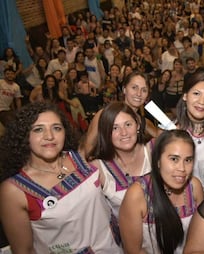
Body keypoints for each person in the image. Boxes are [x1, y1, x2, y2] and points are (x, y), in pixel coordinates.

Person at [0, 102, 122, 253]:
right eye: (38, 129)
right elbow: (24, 250)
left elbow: (101, 122)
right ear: (24, 136)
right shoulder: (14, 190)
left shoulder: (80, 159)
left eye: (56, 128)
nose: (49, 136)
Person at [119, 129, 204, 253]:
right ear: (158, 160)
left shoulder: (194, 187)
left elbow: (201, 237)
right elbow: (134, 251)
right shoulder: (138, 194)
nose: (182, 168)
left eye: (188, 160)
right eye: (174, 159)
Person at [90, 102, 151, 218]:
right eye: (115, 128)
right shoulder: (97, 167)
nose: (124, 133)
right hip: (121, 234)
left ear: (137, 125)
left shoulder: (154, 151)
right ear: (106, 133)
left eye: (128, 124)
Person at [83, 71, 159, 157]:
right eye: (134, 87)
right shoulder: (105, 114)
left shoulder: (144, 122)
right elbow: (88, 147)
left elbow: (164, 137)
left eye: (144, 90)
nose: (139, 94)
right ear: (124, 89)